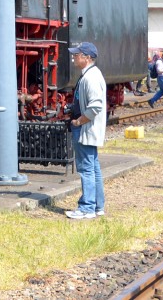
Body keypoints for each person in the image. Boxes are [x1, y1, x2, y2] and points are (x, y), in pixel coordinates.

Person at [66, 41, 107, 220]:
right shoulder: (91, 75)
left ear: (87, 57)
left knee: (86, 169)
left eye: (77, 55)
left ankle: (87, 208)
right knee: (93, 168)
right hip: (88, 128)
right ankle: (98, 206)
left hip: (85, 128)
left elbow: (95, 106)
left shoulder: (90, 77)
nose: (74, 57)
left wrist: (78, 121)